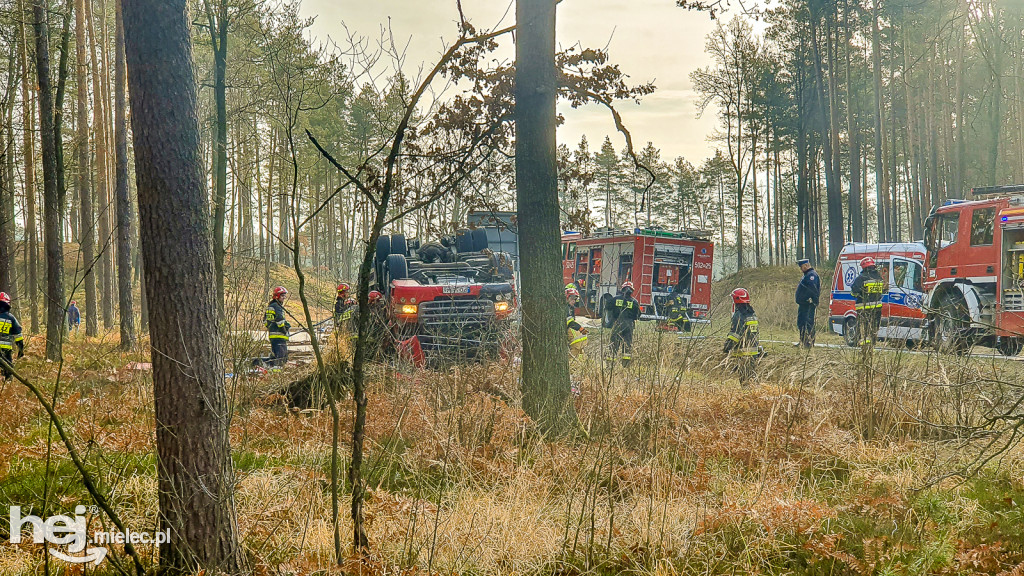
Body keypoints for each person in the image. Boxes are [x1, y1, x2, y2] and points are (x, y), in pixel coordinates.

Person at [723, 288, 760, 385]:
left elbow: (735, 335)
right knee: (751, 378)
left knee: (745, 381)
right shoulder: (752, 313)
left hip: (743, 354)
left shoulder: (739, 315)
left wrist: (727, 346)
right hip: (753, 354)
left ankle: (748, 398)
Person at [850, 257, 885, 348]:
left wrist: (856, 295)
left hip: (863, 307)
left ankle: (865, 344)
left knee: (863, 326)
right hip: (877, 307)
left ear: (864, 267)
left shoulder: (861, 278)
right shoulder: (879, 278)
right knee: (874, 326)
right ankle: (872, 343)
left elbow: (854, 292)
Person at [608, 281, 641, 367]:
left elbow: (607, 307)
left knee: (614, 344)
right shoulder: (634, 302)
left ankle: (610, 366)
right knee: (627, 345)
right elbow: (637, 315)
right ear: (632, 291)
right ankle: (625, 366)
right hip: (629, 325)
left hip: (618, 323)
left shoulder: (615, 299)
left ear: (622, 289)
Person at [795, 259, 821, 348]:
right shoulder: (806, 275)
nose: (801, 269)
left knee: (808, 322)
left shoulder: (811, 275)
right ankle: (803, 341)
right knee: (801, 322)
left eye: (801, 267)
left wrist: (810, 299)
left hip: (808, 304)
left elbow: (812, 289)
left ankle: (809, 342)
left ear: (806, 266)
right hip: (803, 304)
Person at [0, 292, 25, 381]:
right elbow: (18, 336)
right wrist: (21, 350)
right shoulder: (11, 318)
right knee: (8, 370)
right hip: (6, 350)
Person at [264, 286, 291, 369]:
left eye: (284, 296)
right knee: (281, 359)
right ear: (277, 296)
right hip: (279, 337)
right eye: (282, 296)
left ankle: (269, 369)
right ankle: (277, 375)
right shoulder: (277, 307)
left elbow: (265, 322)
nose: (284, 298)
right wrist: (285, 329)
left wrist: (272, 328)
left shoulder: (271, 306)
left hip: (273, 337)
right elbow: (280, 321)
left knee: (275, 357)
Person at [565, 287, 588, 358]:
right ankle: (571, 359)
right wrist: (580, 329)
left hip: (568, 329)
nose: (574, 301)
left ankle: (580, 360)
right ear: (567, 298)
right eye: (572, 299)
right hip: (567, 329)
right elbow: (569, 322)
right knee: (577, 342)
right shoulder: (565, 308)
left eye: (575, 299)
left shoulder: (570, 308)